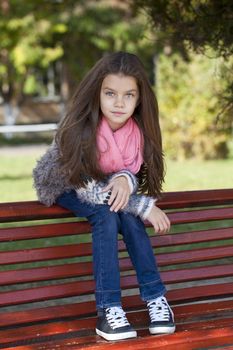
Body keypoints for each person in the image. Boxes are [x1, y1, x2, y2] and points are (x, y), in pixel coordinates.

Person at [33, 51, 175, 341]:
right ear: (97, 93)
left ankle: (155, 298)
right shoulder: (79, 129)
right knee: (108, 216)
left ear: (139, 100)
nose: (119, 103)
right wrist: (143, 205)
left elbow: (127, 173)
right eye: (110, 93)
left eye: (128, 95)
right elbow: (91, 191)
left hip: (102, 185)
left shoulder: (136, 133)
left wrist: (124, 179)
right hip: (67, 184)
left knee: (130, 221)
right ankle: (108, 309)